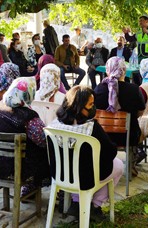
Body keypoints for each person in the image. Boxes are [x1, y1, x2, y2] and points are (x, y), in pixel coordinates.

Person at [48, 86, 124, 223]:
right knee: (118, 165)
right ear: (78, 106)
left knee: (79, 164)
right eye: (90, 104)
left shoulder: (54, 124)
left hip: (60, 175)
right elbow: (111, 151)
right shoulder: (91, 127)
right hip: (85, 177)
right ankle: (95, 205)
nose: (93, 107)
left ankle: (77, 203)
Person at [0, 77, 49, 196]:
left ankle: (29, 190)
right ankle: (31, 187)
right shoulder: (29, 116)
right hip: (17, 169)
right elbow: (43, 140)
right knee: (46, 152)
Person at [94, 56, 145, 175]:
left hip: (104, 136)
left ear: (107, 70)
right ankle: (131, 165)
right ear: (124, 71)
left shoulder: (98, 89)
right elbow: (140, 112)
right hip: (128, 135)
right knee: (135, 127)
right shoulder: (134, 89)